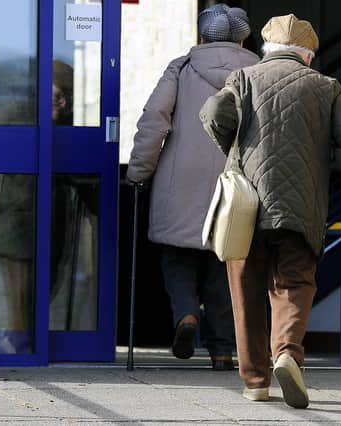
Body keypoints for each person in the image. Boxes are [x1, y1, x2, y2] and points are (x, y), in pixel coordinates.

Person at [200, 14, 341, 408]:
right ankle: (288, 354)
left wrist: (236, 152)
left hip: (246, 202)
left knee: (245, 289)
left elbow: (212, 114)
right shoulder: (325, 87)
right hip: (301, 205)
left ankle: (256, 381)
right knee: (294, 282)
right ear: (308, 55)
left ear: (266, 51)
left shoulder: (243, 79)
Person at [126, 4, 259, 369]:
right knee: (225, 263)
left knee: (178, 257)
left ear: (201, 36)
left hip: (179, 180)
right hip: (236, 180)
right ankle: (221, 350)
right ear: (243, 37)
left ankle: (186, 315)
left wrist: (139, 172)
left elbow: (155, 121)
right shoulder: (256, 71)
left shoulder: (181, 68)